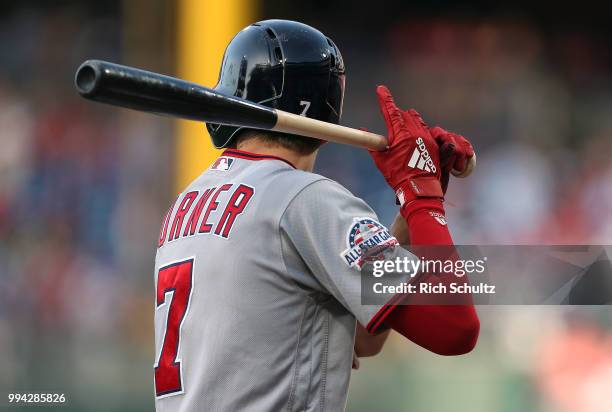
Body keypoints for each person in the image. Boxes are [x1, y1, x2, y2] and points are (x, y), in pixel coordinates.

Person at [153, 19, 479, 412]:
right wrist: (422, 197)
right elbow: (454, 328)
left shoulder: (186, 203)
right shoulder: (303, 199)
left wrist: (410, 220)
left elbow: (360, 337)